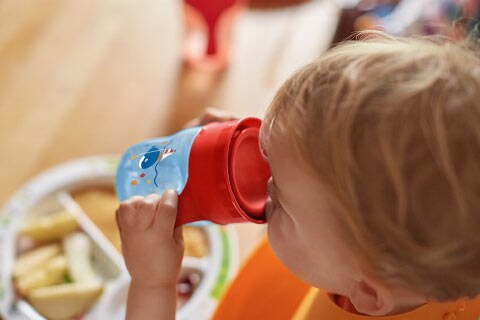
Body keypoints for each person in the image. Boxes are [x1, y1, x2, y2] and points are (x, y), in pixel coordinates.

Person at [115, 32, 480, 319]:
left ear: (368, 294)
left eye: (278, 200)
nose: (264, 177)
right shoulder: (374, 258)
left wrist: (154, 285)